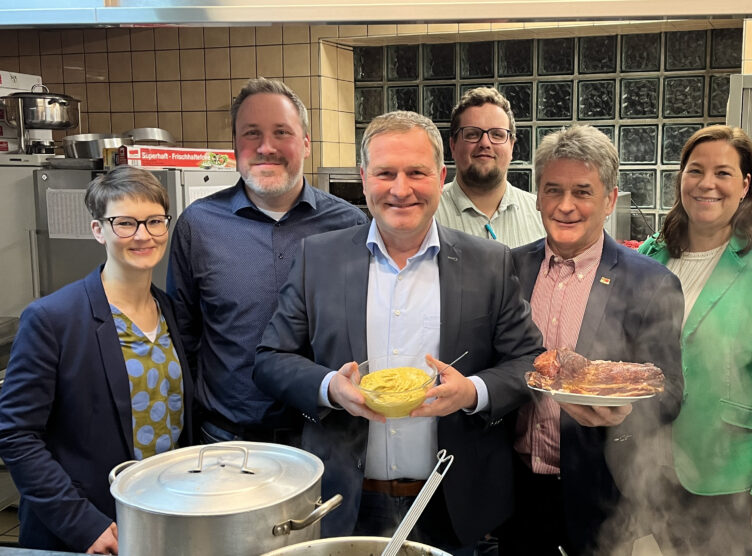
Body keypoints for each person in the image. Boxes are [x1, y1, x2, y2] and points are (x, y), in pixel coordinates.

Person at [252, 110, 545, 554]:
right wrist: (331, 387)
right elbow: (270, 359)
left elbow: (530, 363)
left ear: (440, 175)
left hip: (452, 502)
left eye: (417, 173)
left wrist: (473, 393)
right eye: (386, 173)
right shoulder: (319, 259)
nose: (401, 189)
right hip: (344, 500)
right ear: (363, 177)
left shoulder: (489, 263)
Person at [502, 125, 684, 555]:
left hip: (600, 491)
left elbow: (671, 393)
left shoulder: (650, 283)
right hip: (514, 489)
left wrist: (624, 412)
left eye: (583, 191)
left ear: (610, 200)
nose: (566, 206)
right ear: (537, 197)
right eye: (553, 190)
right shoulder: (508, 269)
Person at [0, 166, 194, 554]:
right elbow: (16, 436)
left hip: (160, 515)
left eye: (154, 221)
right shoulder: (52, 319)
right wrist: (82, 524)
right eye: (125, 223)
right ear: (97, 230)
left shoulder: (170, 311)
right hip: (86, 530)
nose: (143, 235)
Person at [167, 77, 367, 444]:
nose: (266, 147)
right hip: (226, 438)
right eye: (251, 133)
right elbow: (184, 333)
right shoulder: (198, 225)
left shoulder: (350, 225)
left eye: (281, 132)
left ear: (306, 143)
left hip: (325, 437)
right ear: (234, 145)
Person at [638, 125, 752, 555]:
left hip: (729, 469)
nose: (707, 184)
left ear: (746, 184)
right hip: (651, 464)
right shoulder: (652, 254)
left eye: (723, 173)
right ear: (681, 179)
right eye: (695, 170)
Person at [435, 87, 544, 248]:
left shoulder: (542, 216)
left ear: (512, 146)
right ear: (453, 146)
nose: (485, 143)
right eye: (472, 134)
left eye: (497, 135)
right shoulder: (428, 215)